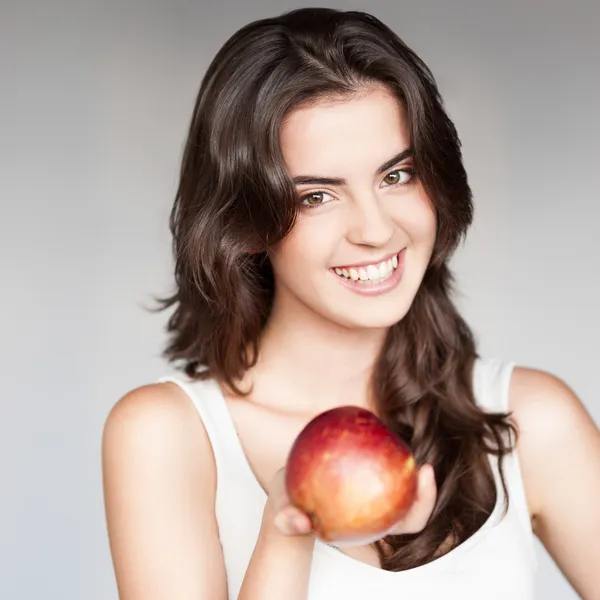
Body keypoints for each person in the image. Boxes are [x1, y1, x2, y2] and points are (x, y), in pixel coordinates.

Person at [101, 7, 600, 600]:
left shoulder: (529, 421)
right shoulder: (170, 436)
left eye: (397, 176)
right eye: (316, 196)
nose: (375, 229)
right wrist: (289, 529)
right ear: (246, 222)